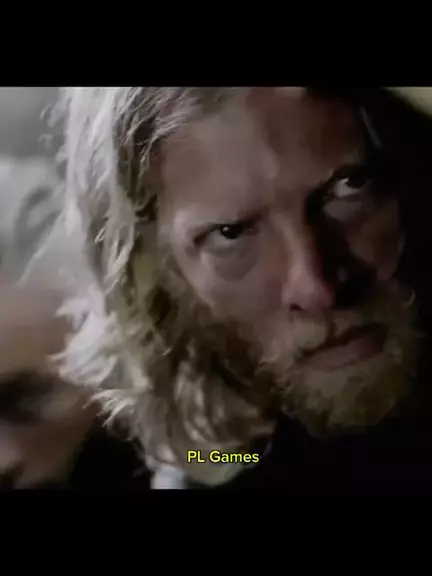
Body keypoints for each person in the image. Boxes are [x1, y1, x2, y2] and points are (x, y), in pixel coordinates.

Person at [0, 86, 431, 489]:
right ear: (155, 270)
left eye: (349, 186)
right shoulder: (228, 451)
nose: (316, 287)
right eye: (231, 232)